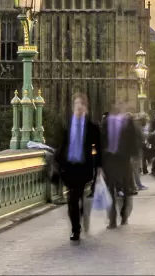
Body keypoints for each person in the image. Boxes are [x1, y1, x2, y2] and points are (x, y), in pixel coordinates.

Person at [56, 93, 101, 242]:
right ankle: (76, 228)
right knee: (72, 199)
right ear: (73, 106)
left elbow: (98, 148)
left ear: (86, 107)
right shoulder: (67, 124)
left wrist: (98, 166)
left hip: (83, 167)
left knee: (78, 196)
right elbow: (62, 144)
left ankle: (79, 219)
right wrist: (58, 161)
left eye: (82, 104)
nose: (79, 106)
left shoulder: (92, 127)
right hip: (69, 167)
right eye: (76, 104)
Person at [101, 102, 141, 229]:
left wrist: (134, 156)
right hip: (109, 158)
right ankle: (112, 219)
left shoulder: (128, 123)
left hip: (123, 159)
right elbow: (101, 140)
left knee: (125, 187)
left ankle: (124, 214)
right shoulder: (106, 122)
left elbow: (134, 139)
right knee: (110, 189)